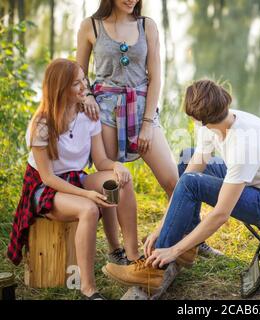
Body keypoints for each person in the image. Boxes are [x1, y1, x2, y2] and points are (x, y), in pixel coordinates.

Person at [102, 79, 260, 290]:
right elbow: (191, 171)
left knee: (191, 184)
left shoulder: (243, 144)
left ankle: (153, 270)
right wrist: (161, 227)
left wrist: (173, 250)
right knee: (188, 159)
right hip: (255, 185)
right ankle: (190, 239)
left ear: (199, 119)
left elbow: (220, 214)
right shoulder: (217, 120)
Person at [76, 0, 219, 263]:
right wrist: (85, 96)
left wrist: (146, 124)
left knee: (174, 181)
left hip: (143, 110)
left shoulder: (147, 26)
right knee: (111, 183)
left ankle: (195, 239)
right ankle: (116, 249)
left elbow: (155, 77)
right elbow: (79, 75)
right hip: (106, 111)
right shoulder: (90, 26)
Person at [7, 59, 140, 300]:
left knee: (118, 181)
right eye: (76, 83)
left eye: (84, 81)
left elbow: (100, 161)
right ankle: (88, 288)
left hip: (75, 178)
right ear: (60, 88)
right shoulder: (42, 124)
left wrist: (117, 165)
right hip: (43, 188)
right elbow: (47, 178)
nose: (84, 88)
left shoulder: (88, 114)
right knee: (89, 208)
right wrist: (86, 194)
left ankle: (129, 257)